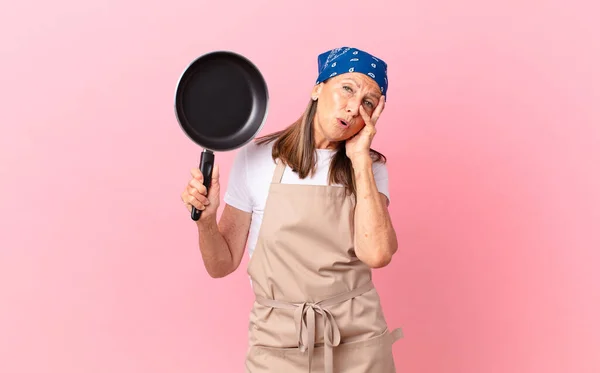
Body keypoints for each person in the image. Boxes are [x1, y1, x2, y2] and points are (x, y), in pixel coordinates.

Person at [180, 46, 403, 372]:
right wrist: (206, 221)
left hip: (357, 338)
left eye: (369, 102)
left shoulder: (369, 167)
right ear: (317, 88)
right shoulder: (256, 158)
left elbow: (378, 254)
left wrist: (359, 161)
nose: (354, 108)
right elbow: (221, 264)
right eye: (347, 88)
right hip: (278, 340)